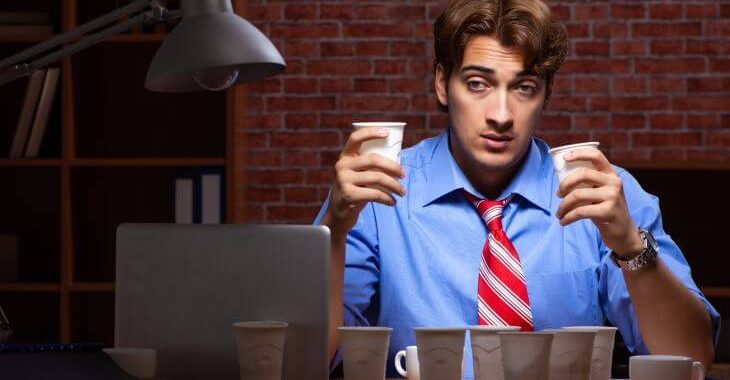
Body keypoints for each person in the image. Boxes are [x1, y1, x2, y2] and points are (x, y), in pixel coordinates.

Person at [314, 0, 719, 377]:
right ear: (442, 83)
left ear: (546, 95)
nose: (501, 115)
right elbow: (313, 359)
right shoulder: (377, 194)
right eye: (478, 84)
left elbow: (693, 359)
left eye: (524, 88)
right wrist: (334, 229)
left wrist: (630, 246)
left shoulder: (604, 194)